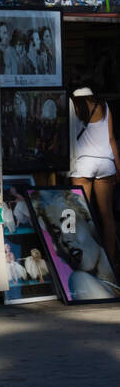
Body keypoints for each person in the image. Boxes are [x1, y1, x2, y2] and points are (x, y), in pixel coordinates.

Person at [69, 87, 119, 263]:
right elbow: (111, 139)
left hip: (83, 163)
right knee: (107, 216)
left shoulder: (73, 105)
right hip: (106, 163)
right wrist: (118, 168)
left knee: (81, 214)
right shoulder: (104, 106)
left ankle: (85, 260)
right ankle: (110, 261)